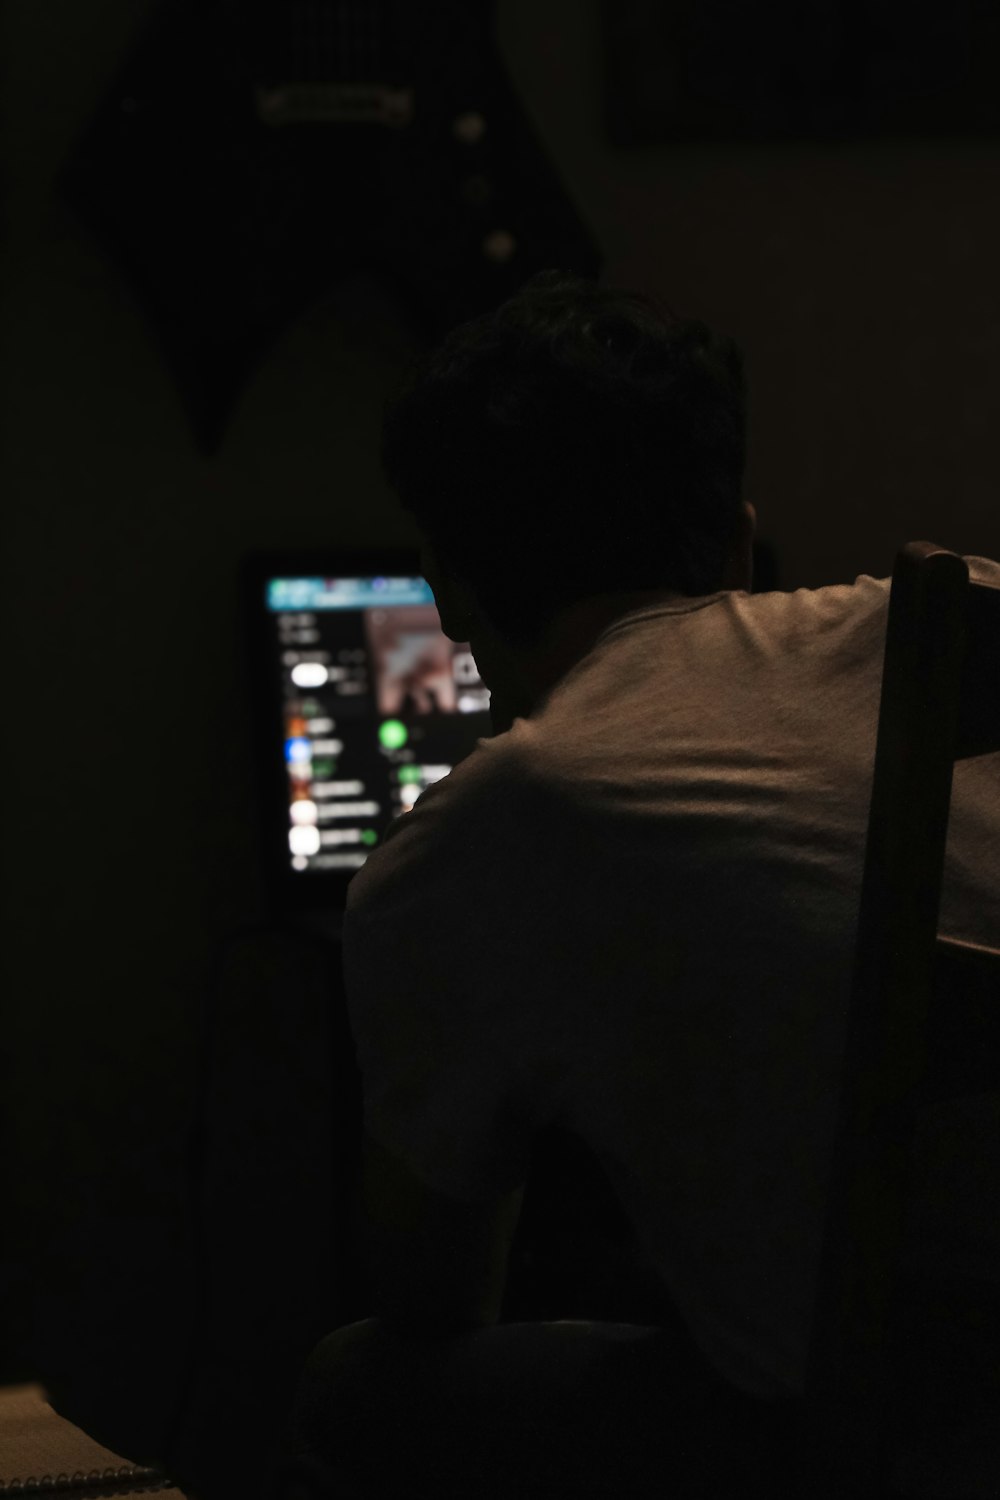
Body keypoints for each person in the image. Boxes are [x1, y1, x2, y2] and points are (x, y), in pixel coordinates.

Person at [274, 270, 1000, 1498]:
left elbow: (434, 1292)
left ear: (443, 589)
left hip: (899, 1443)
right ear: (737, 538)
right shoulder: (949, 635)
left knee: (357, 1380)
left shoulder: (483, 835)